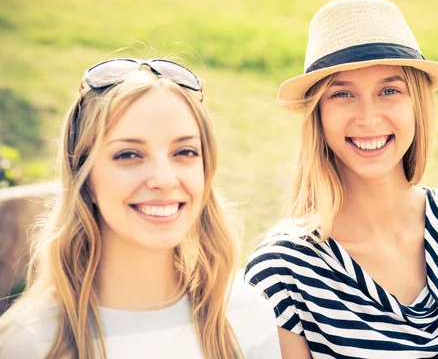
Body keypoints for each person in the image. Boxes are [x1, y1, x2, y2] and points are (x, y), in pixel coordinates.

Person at [245, 0, 438, 358]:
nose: (368, 118)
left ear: (418, 105)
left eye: (389, 91)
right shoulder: (283, 272)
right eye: (343, 93)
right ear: (317, 115)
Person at [0, 58, 281, 359]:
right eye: (129, 154)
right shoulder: (31, 343)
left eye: (184, 152)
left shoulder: (247, 316)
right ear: (85, 177)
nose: (164, 179)